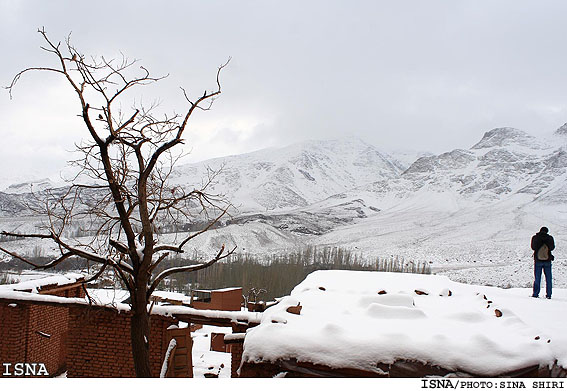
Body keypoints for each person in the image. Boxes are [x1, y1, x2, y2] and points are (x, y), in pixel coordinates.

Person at [531, 227, 555, 299]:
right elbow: (552, 247)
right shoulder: (550, 238)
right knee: (548, 278)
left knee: (537, 277)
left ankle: (535, 294)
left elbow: (533, 247)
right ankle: (549, 295)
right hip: (547, 260)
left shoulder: (535, 237)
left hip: (538, 260)